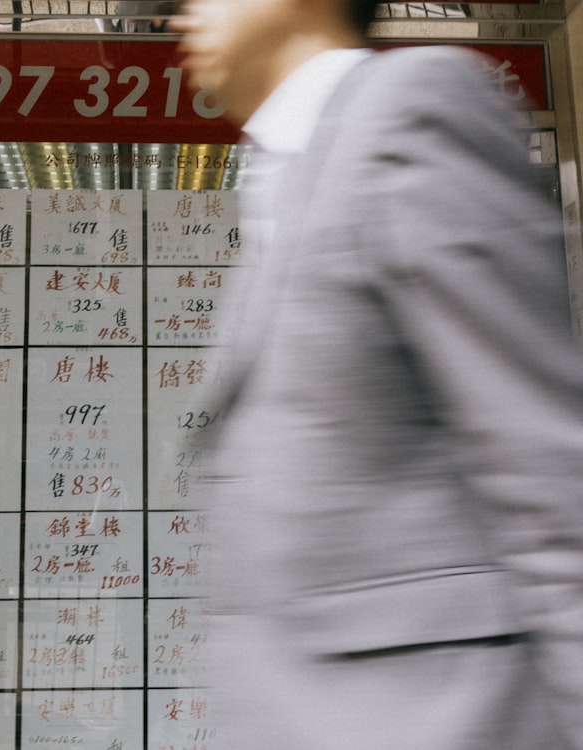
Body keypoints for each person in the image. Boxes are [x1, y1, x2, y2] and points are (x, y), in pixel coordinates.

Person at [177, 0, 583, 747]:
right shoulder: (283, 173)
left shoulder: (413, 106)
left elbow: (550, 469)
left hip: (443, 719)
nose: (181, 13)